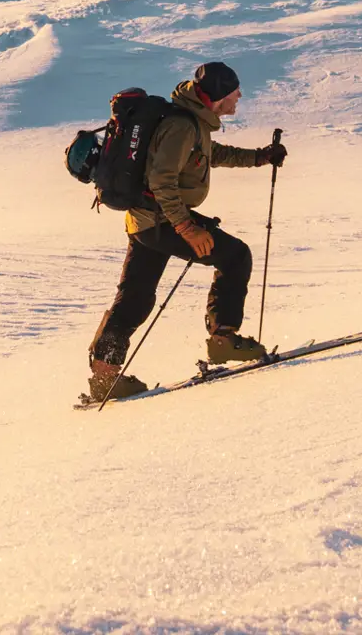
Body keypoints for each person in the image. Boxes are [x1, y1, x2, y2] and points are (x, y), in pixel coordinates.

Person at [87, 60, 287, 401]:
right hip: (161, 221)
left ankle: (104, 375)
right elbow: (161, 181)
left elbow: (210, 155)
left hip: (146, 221)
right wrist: (187, 228)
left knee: (135, 296)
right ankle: (223, 341)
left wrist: (258, 158)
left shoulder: (192, 124)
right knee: (235, 256)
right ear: (219, 96)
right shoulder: (182, 126)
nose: (239, 96)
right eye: (235, 91)